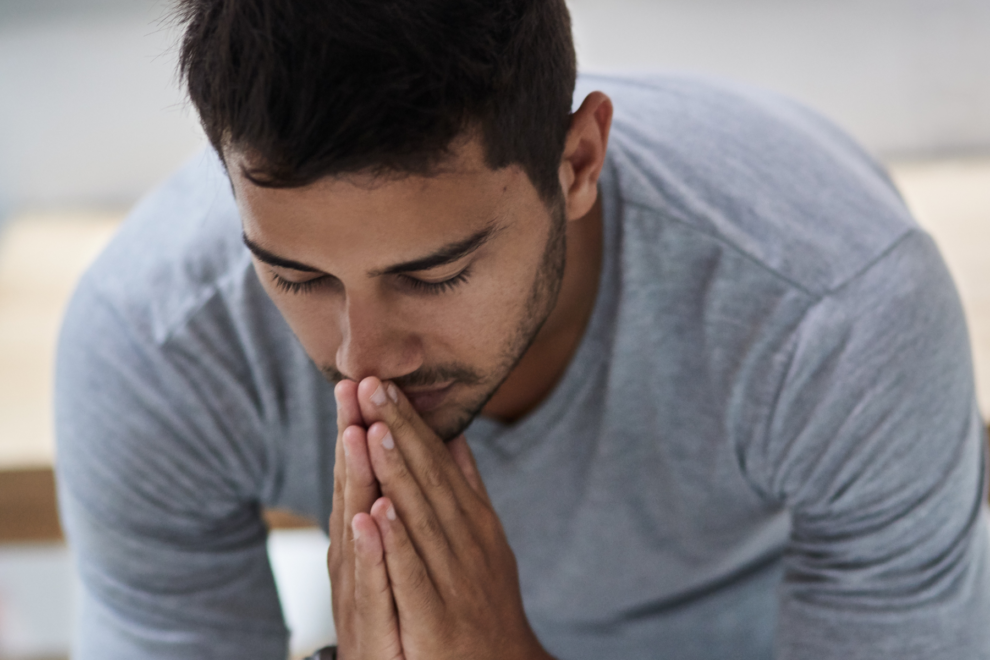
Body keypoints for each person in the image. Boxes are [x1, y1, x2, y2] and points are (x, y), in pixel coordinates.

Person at [54, 0, 990, 658]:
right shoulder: (154, 347)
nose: (361, 359)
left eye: (434, 274)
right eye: (296, 276)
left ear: (577, 162)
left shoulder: (835, 310)